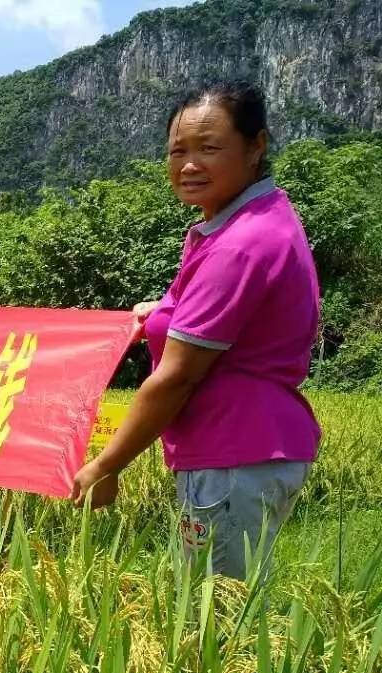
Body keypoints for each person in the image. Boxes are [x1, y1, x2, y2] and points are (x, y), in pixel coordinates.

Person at [70, 80, 321, 581]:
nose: (189, 164)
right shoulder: (244, 221)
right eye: (178, 151)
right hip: (245, 452)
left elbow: (177, 377)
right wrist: (158, 314)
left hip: (233, 455)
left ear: (256, 146)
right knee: (218, 607)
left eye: (209, 148)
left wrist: (106, 465)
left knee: (215, 622)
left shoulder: (239, 244)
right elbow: (193, 306)